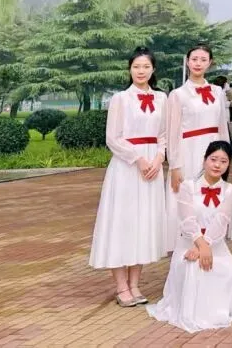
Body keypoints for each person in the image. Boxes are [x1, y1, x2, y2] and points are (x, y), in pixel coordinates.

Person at [89, 47, 169, 307]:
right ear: (129, 69)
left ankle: (135, 284)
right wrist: (139, 159)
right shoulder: (120, 99)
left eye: (146, 66)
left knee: (143, 224)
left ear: (153, 69)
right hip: (126, 168)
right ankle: (121, 286)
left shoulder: (162, 98)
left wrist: (158, 158)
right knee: (123, 223)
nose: (141, 71)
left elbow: (163, 135)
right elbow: (113, 138)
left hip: (152, 169)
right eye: (136, 67)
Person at [147, 141, 232, 332]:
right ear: (204, 160)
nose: (217, 165)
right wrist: (200, 245)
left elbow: (221, 221)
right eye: (213, 159)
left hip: (216, 246)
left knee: (229, 272)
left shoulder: (230, 190)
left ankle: (217, 311)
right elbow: (187, 220)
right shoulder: (187, 187)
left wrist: (205, 246)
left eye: (223, 161)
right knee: (194, 269)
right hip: (188, 243)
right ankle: (193, 313)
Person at [165, 44, 230, 246]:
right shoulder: (178, 94)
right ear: (187, 61)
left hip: (214, 150)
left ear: (210, 63)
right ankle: (184, 246)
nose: (198, 63)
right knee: (187, 196)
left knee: (211, 196)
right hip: (189, 151)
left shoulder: (217, 91)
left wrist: (226, 156)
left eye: (203, 60)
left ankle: (210, 242)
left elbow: (222, 126)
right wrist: (175, 165)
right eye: (194, 59)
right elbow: (172, 133)